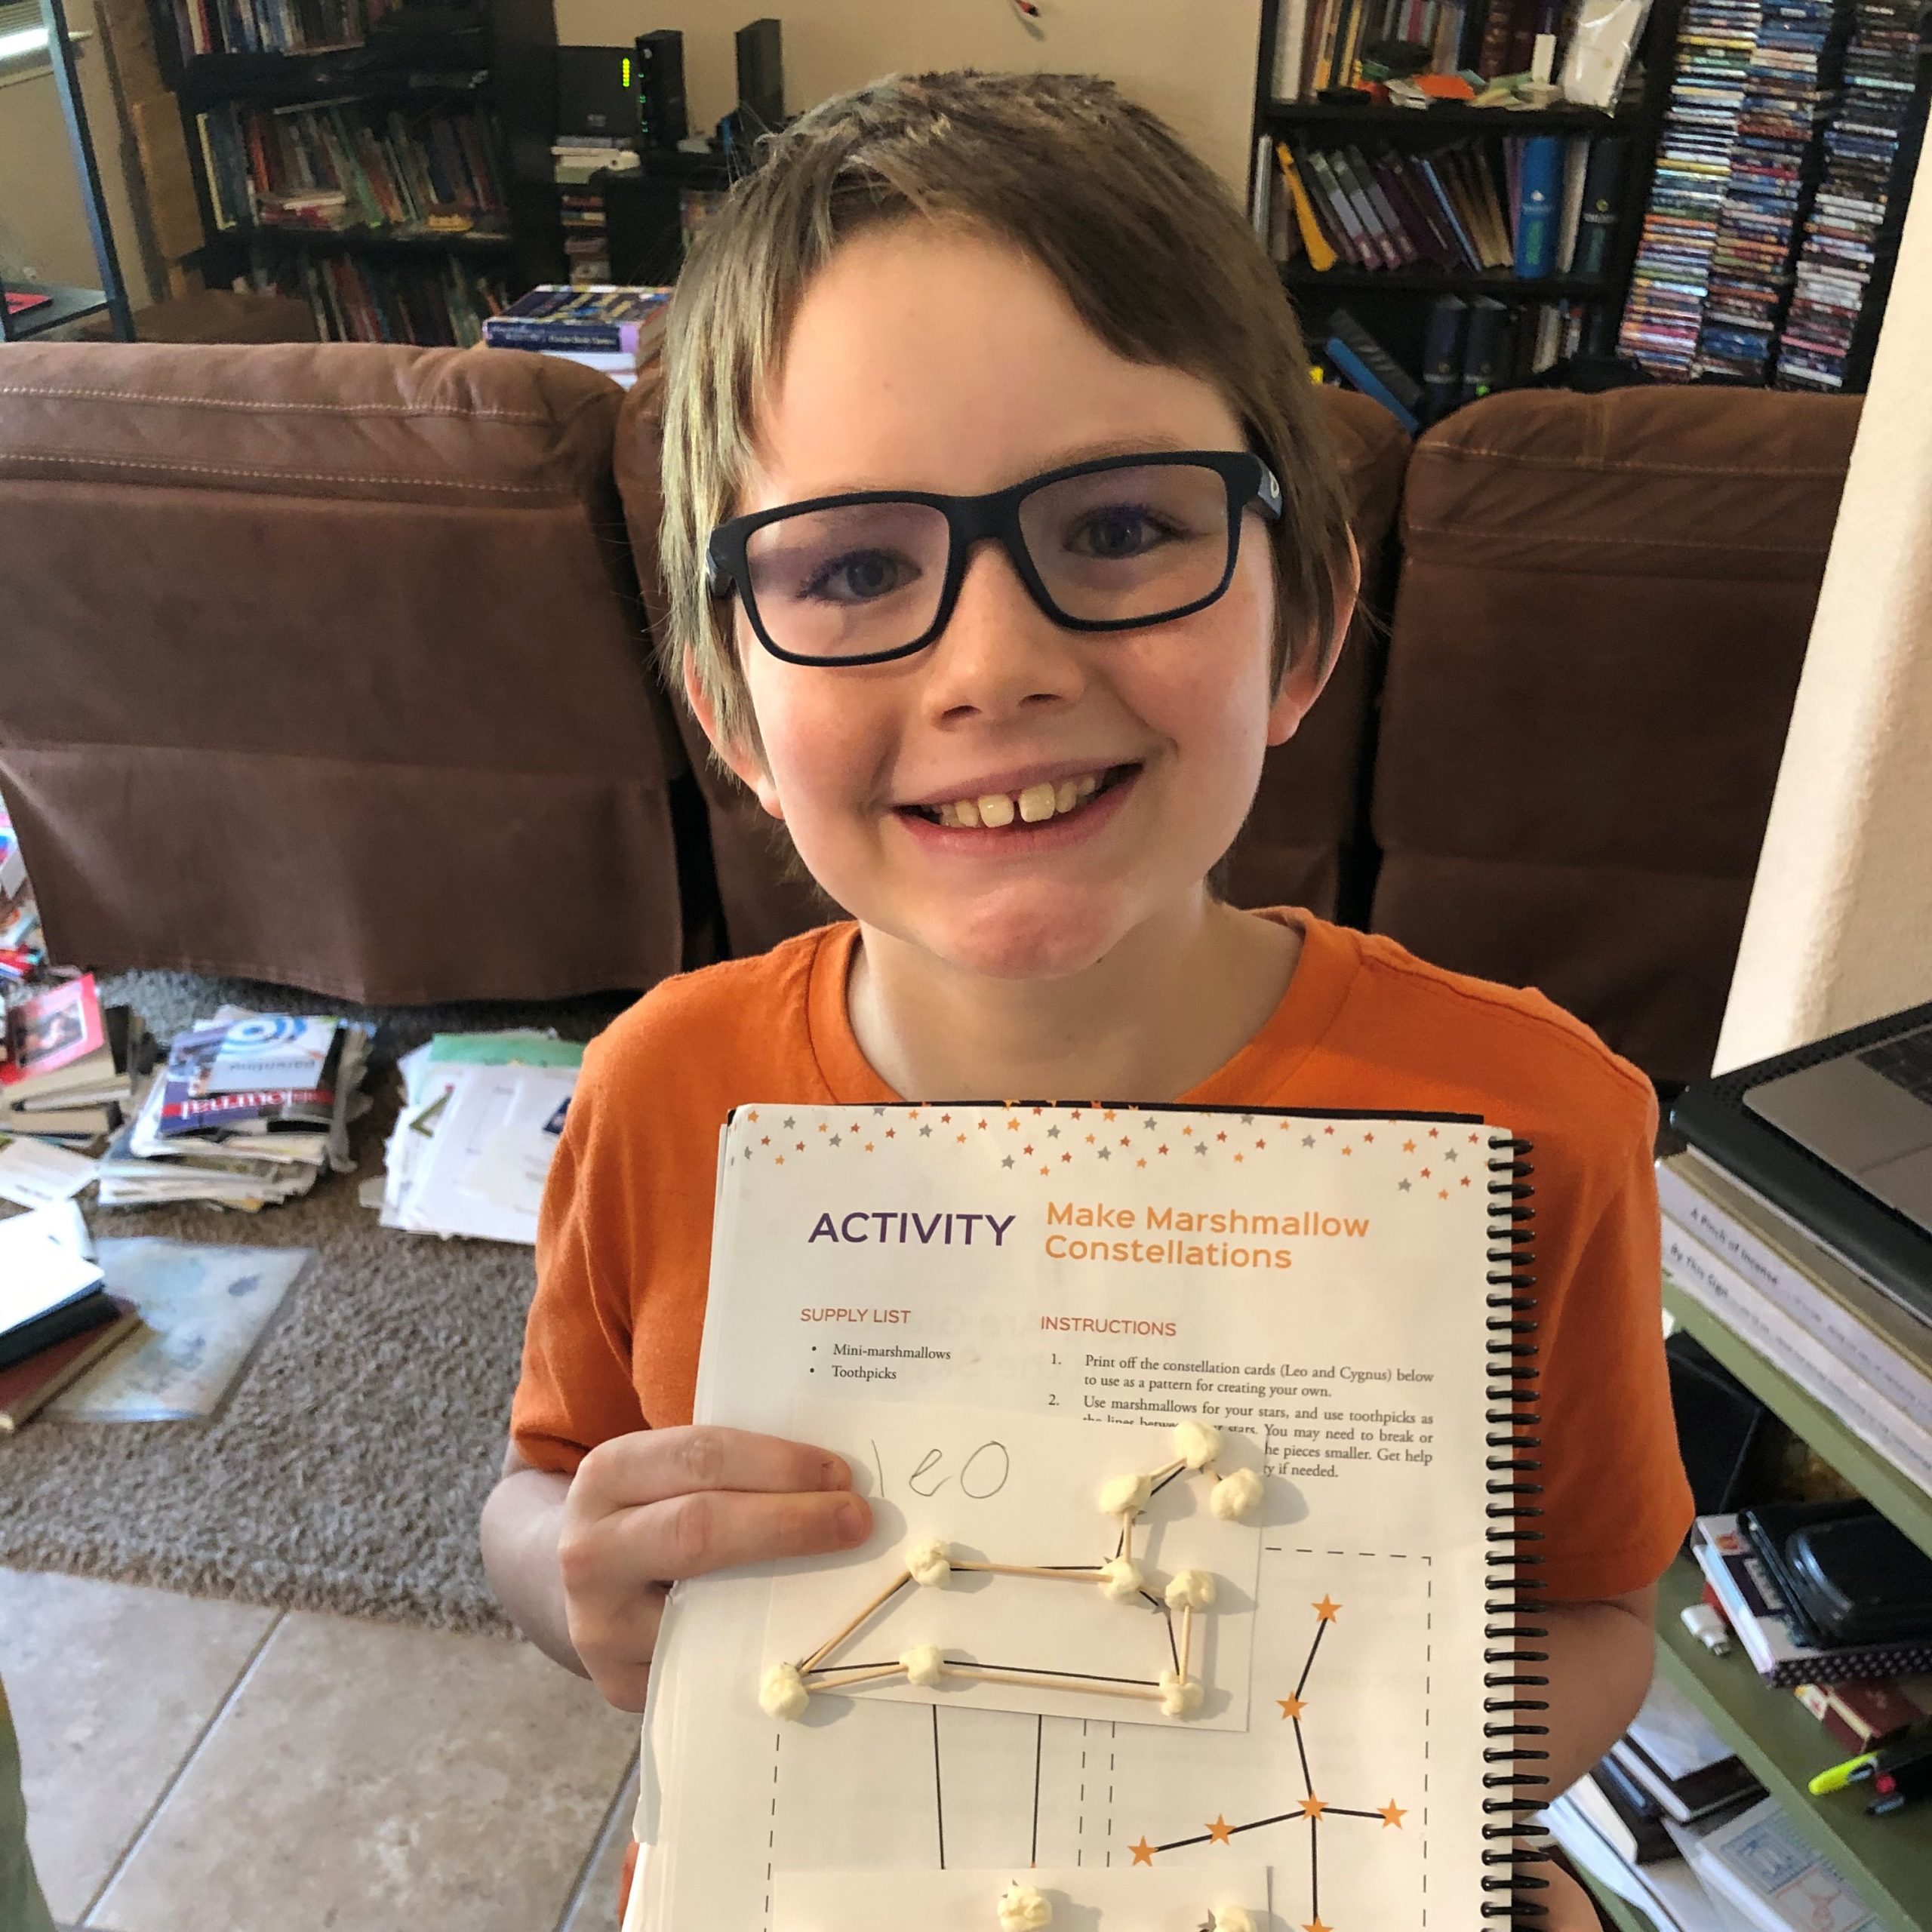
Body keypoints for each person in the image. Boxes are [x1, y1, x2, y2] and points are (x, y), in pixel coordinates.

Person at [480, 69, 1692, 1930]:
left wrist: (1397, 1770)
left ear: (1302, 621)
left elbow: (1597, 1603)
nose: (996, 663)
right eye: (854, 566)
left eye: (1120, 529)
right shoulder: (666, 1087)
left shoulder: (1536, 1122)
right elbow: (537, 1488)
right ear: (728, 711)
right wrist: (583, 1573)